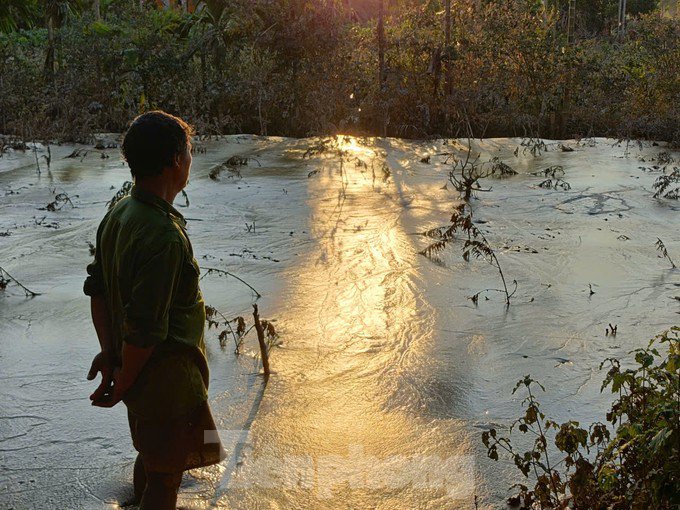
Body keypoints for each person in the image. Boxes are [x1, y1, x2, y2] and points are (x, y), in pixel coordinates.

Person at [84, 111, 223, 509]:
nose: (191, 160)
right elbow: (145, 329)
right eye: (190, 152)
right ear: (176, 161)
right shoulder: (163, 236)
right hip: (166, 382)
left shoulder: (121, 211)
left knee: (153, 458)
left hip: (143, 379)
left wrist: (111, 354)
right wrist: (120, 380)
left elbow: (98, 290)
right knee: (166, 479)